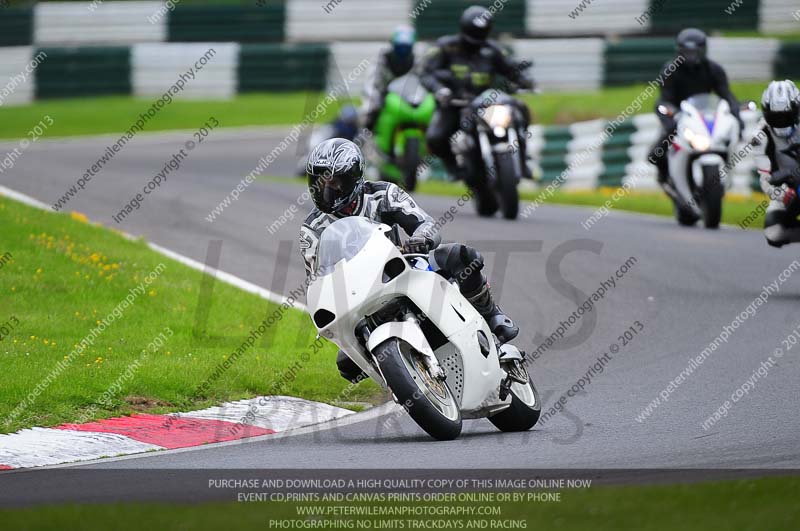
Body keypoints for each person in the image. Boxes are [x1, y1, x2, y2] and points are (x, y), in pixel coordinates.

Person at [299, 138, 519, 382]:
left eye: (335, 182)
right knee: (346, 365)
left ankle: (492, 316)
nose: (327, 190)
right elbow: (317, 279)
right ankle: (400, 374)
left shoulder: (383, 193)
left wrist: (421, 239)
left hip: (402, 266)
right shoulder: (312, 230)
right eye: (319, 182)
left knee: (464, 257)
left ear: (354, 176)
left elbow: (425, 223)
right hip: (358, 294)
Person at [419, 5, 534, 181]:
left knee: (519, 109)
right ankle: (453, 168)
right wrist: (440, 89)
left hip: (487, 103)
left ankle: (523, 159)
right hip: (455, 104)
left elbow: (511, 68)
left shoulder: (492, 50)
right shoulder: (445, 47)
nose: (476, 42)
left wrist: (524, 80)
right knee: (435, 137)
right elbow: (427, 72)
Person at [649, 28, 742, 187]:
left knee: (730, 135)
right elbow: (665, 99)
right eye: (687, 51)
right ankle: (665, 176)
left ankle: (725, 176)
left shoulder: (714, 70)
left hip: (706, 117)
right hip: (679, 118)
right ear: (679, 51)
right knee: (655, 154)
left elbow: (727, 95)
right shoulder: (670, 70)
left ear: (703, 50)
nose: (691, 55)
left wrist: (737, 116)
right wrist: (671, 118)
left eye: (694, 51)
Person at [757, 80, 800, 248]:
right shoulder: (760, 135)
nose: (781, 121)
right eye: (776, 117)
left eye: (786, 116)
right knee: (774, 233)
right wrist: (780, 194)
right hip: (786, 186)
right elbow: (764, 179)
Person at [361, 26, 417, 133]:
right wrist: (374, 96)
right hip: (383, 95)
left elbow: (420, 79)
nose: (403, 51)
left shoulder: (416, 59)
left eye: (406, 48)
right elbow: (371, 81)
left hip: (406, 96)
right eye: (399, 48)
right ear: (393, 45)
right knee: (368, 112)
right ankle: (363, 140)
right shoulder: (382, 57)